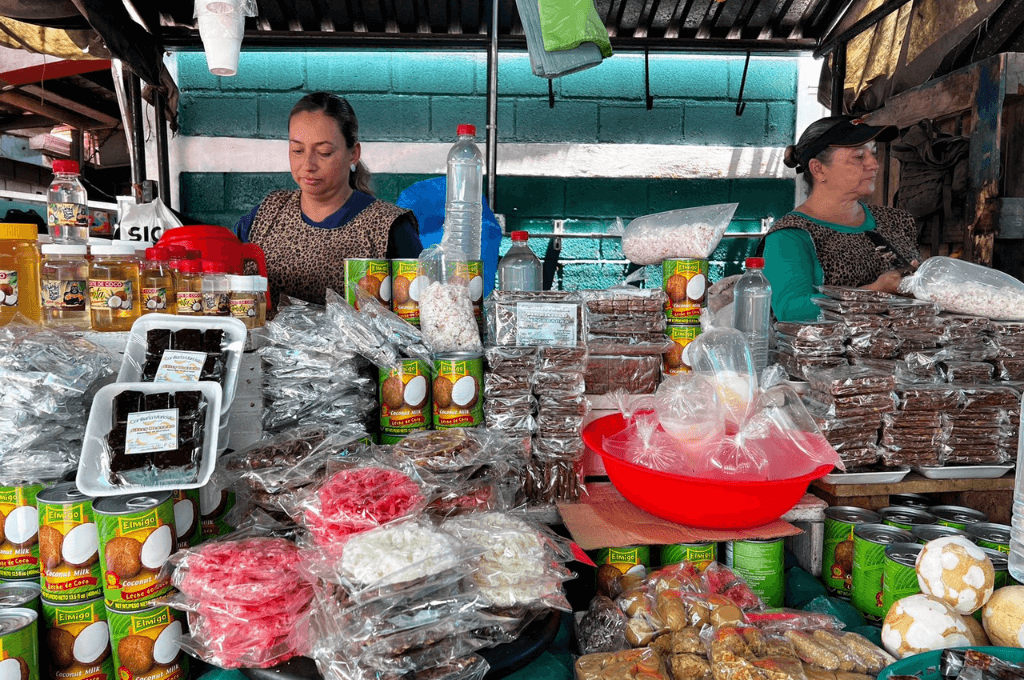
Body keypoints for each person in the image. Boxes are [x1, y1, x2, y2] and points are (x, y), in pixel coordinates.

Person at [235, 92, 422, 307]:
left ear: (353, 154)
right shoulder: (266, 215)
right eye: (297, 150)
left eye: (324, 152)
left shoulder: (388, 226)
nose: (308, 164)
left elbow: (417, 314)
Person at [761, 116, 920, 322]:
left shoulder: (897, 221)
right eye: (858, 157)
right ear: (819, 169)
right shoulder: (792, 235)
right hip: (831, 353)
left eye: (873, 153)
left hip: (912, 351)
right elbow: (790, 310)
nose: (874, 164)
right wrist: (872, 293)